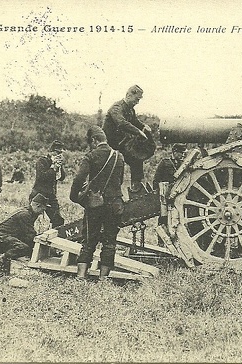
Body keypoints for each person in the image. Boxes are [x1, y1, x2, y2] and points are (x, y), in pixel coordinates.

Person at [70, 126, 125, 280]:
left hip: (95, 204)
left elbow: (79, 179)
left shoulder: (91, 156)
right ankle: (103, 278)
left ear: (94, 140)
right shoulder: (119, 156)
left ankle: (81, 276)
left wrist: (74, 196)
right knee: (110, 241)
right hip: (115, 204)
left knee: (89, 238)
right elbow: (120, 180)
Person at [103, 85, 153, 195]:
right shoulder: (116, 108)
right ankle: (113, 196)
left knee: (137, 160)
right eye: (137, 99)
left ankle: (137, 190)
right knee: (116, 172)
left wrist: (144, 126)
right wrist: (138, 132)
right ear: (129, 95)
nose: (137, 102)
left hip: (122, 145)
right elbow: (121, 123)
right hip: (110, 147)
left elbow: (135, 122)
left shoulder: (130, 110)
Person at [0, 193, 51, 274]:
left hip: (2, 237)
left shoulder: (28, 212)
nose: (42, 212)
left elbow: (26, 234)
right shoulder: (25, 215)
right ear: (38, 205)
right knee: (23, 247)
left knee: (27, 248)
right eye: (43, 209)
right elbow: (30, 236)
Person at [29, 140, 66, 228]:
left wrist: (59, 167)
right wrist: (53, 168)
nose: (59, 155)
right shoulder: (42, 161)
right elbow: (42, 177)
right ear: (51, 151)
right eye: (57, 152)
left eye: (61, 152)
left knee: (58, 220)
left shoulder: (57, 163)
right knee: (29, 218)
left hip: (51, 196)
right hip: (39, 194)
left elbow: (62, 177)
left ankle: (54, 239)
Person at [152, 143, 187, 226]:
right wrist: (158, 192)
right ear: (174, 152)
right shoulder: (165, 162)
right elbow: (156, 179)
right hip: (166, 194)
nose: (182, 155)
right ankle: (161, 236)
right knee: (164, 216)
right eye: (180, 153)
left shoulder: (183, 164)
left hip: (178, 194)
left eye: (183, 153)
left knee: (176, 216)